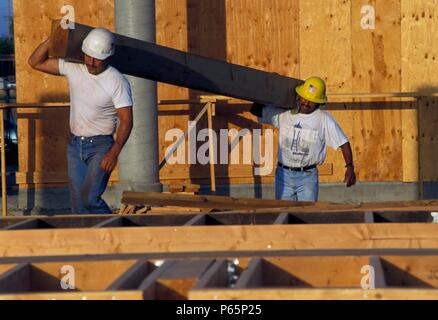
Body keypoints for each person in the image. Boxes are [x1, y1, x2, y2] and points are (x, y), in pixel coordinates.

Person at [28, 28, 133, 214]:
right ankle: (86, 242)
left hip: (101, 146)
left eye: (97, 58)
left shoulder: (117, 81)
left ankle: (118, 234)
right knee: (78, 206)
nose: (91, 63)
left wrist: (114, 152)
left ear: (108, 57)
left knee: (90, 198)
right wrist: (52, 38)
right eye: (88, 56)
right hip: (75, 145)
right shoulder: (74, 67)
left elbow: (126, 120)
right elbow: (35, 62)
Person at [250, 76, 356, 201]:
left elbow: (343, 143)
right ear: (299, 97)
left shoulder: (323, 119)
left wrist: (350, 167)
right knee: (283, 213)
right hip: (284, 175)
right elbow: (255, 111)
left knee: (307, 214)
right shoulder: (286, 114)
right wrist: (267, 90)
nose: (306, 102)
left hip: (307, 177)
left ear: (318, 103)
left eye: (311, 100)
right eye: (304, 98)